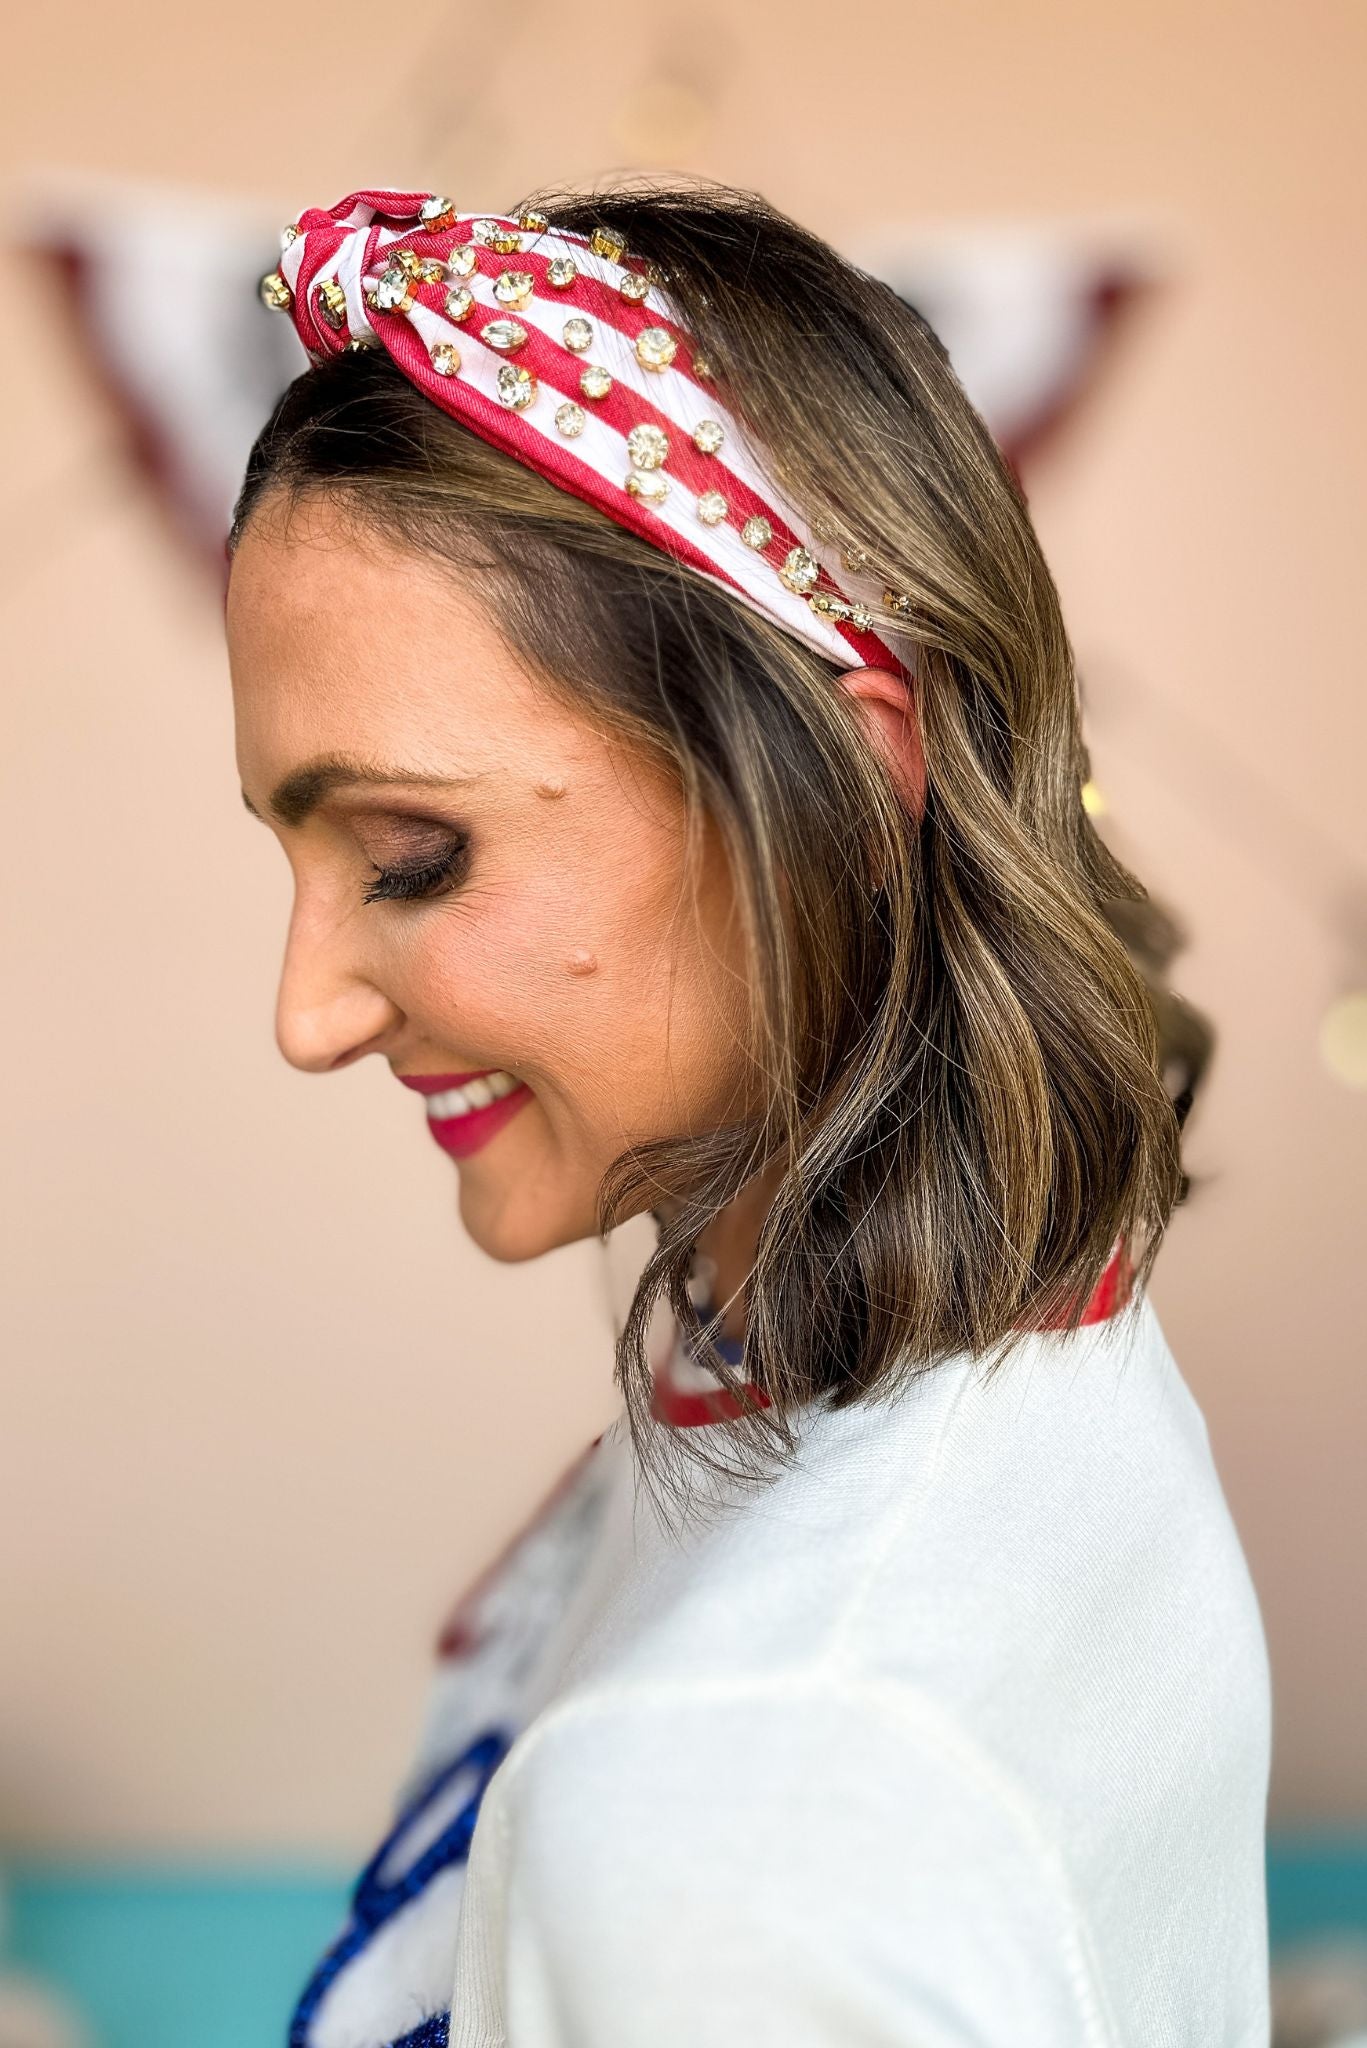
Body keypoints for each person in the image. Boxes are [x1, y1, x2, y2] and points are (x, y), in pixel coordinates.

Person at [229, 183, 1272, 2048]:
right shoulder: (964, 1346)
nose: (306, 1013)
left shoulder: (745, 1820)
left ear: (848, 785)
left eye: (410, 853)